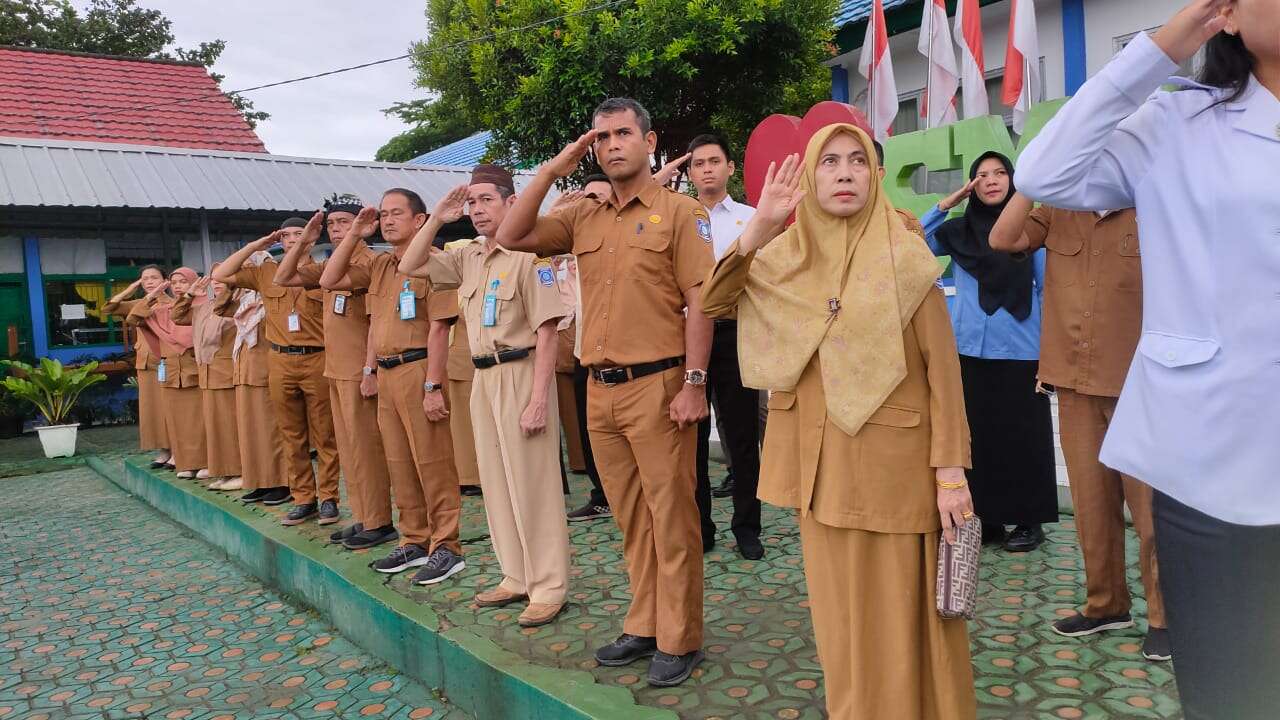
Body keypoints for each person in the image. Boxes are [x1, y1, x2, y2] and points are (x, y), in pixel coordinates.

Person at [1015, 1, 1280, 714]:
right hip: (1214, 459)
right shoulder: (1178, 123)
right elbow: (1045, 170)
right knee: (1235, 689)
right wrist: (1161, 48)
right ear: (1225, 15)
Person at [702, 125, 977, 720]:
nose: (845, 172)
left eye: (856, 160)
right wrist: (760, 225)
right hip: (818, 470)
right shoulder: (784, 259)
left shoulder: (905, 255)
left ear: (874, 176)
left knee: (900, 616)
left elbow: (944, 372)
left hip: (895, 472)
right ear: (809, 177)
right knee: (839, 619)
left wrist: (951, 471)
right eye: (828, 162)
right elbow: (715, 302)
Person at [496, 98, 713, 686]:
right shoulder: (581, 216)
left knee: (672, 516)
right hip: (600, 387)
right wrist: (553, 168)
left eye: (623, 133)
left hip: (659, 385)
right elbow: (511, 234)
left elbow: (701, 302)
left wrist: (695, 384)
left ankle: (680, 636)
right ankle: (644, 623)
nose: (612, 145)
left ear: (649, 141)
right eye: (601, 138)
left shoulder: (681, 212)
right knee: (631, 517)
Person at [988, 201, 1168, 660]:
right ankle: (1107, 605)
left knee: (1151, 514)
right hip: (1075, 383)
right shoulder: (1058, 208)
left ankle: (1165, 619)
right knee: (1091, 506)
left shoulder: (1155, 204)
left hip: (1142, 388)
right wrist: (1032, 180)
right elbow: (1002, 239)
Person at [399, 163, 572, 628]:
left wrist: (539, 399)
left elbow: (548, 332)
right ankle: (516, 575)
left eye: (486, 200)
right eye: (472, 202)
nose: (476, 210)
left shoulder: (530, 255)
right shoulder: (468, 256)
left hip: (522, 373)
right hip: (483, 378)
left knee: (533, 485)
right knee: (496, 482)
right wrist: (438, 217)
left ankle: (548, 585)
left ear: (512, 202)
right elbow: (410, 264)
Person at [320, 189, 466, 587]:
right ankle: (414, 539)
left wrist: (433, 385)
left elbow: (440, 329)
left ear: (419, 220)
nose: (386, 220)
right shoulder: (381, 264)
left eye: (396, 213)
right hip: (386, 373)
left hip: (419, 369)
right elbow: (329, 280)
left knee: (433, 462)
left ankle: (447, 546)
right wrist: (355, 234)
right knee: (399, 462)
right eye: (383, 214)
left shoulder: (436, 262)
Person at [922, 153, 1058, 552]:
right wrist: (945, 205)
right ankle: (989, 518)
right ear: (971, 186)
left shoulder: (1029, 231)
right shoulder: (957, 232)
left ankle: (1030, 521)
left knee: (1024, 438)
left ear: (1013, 180)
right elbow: (911, 243)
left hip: (1021, 350)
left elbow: (1047, 291)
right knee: (977, 438)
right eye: (981, 175)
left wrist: (1050, 357)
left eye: (1000, 173)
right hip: (967, 349)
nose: (991, 180)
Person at [274, 196, 399, 552]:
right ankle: (363, 515)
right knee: (349, 449)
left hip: (359, 370)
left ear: (364, 226)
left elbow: (374, 321)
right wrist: (304, 240)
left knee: (367, 448)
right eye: (332, 224)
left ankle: (379, 521)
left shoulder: (369, 262)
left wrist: (369, 369)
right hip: (336, 370)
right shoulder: (331, 261)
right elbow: (284, 277)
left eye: (345, 222)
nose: (337, 229)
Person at [214, 220, 342, 528]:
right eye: (287, 235)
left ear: (312, 238)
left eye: (300, 234)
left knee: (325, 434)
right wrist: (256, 246)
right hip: (280, 360)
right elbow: (221, 274)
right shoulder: (266, 271)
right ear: (279, 241)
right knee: (291, 434)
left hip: (317, 357)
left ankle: (329, 498)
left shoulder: (324, 270)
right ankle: (303, 499)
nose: (293, 239)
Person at [683, 133, 764, 561]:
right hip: (687, 337)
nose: (707, 170)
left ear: (730, 167)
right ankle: (701, 527)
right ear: (690, 172)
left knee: (742, 437)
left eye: (714, 161)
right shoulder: (678, 218)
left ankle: (747, 528)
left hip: (735, 334)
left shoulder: (752, 219)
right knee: (692, 438)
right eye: (698, 164)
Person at [562, 173, 615, 522]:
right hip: (583, 351)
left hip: (624, 353)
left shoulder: (624, 242)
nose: (592, 204)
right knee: (588, 429)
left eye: (600, 198)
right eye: (587, 197)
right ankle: (602, 495)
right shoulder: (570, 245)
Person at [124, 268, 209, 480]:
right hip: (171, 373)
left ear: (194, 283)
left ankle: (205, 462)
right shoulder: (165, 309)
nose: (178, 286)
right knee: (177, 422)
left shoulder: (203, 306)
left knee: (198, 421)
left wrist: (190, 296)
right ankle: (186, 463)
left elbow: (190, 337)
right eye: (174, 282)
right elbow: (133, 318)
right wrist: (152, 295)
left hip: (194, 371)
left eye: (183, 281)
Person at [221, 252, 291, 507]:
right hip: (245, 372)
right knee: (251, 432)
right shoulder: (245, 300)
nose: (246, 272)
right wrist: (231, 286)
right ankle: (261, 481)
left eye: (251, 267)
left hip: (264, 372)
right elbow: (220, 308)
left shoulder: (272, 298)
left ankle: (281, 482)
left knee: (270, 431)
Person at [171, 272, 242, 490]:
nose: (217, 283)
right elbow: (177, 316)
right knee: (216, 428)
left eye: (224, 279)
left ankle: (238, 471)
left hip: (227, 374)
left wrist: (230, 290)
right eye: (215, 279)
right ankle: (223, 471)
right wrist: (190, 294)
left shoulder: (238, 303)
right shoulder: (204, 307)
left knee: (230, 427)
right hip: (208, 374)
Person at [103, 266, 171, 469]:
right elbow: (108, 309)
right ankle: (163, 450)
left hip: (167, 362)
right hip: (146, 363)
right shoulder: (138, 303)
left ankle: (177, 449)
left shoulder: (172, 303)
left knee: (170, 407)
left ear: (164, 280)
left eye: (154, 277)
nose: (149, 281)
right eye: (144, 278)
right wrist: (130, 289)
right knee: (152, 409)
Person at [441, 237, 484, 498]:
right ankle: (467, 474)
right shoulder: (451, 287)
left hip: (471, 361)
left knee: (472, 422)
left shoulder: (477, 284)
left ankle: (474, 475)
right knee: (460, 423)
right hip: (455, 362)